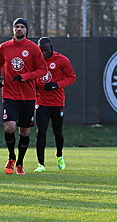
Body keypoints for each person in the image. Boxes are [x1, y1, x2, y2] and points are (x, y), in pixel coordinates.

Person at [0, 18, 46, 176]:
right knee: (9, 127)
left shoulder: (33, 48)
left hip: (28, 96)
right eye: (16, 26)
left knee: (24, 131)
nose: (19, 29)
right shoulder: (5, 47)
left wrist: (25, 76)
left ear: (26, 30)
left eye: (22, 27)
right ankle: (11, 157)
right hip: (9, 94)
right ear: (13, 29)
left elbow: (42, 70)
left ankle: (20, 163)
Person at [33, 37, 76, 172]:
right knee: (41, 132)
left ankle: (59, 155)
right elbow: (31, 76)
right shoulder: (36, 61)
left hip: (57, 102)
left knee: (57, 132)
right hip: (41, 102)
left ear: (51, 48)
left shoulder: (62, 60)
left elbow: (72, 77)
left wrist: (56, 85)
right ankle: (41, 164)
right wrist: (35, 86)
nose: (44, 53)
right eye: (41, 51)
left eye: (46, 50)